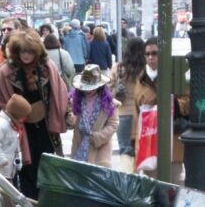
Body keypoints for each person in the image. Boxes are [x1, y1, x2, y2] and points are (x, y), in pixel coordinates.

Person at [0, 29, 69, 201]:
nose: (26, 55)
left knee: (47, 165)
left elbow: (60, 92)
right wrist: (13, 113)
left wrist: (64, 114)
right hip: (21, 127)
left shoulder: (47, 67)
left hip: (45, 126)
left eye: (29, 51)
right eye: (22, 51)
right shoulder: (6, 71)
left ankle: (46, 205)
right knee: (25, 167)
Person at [133, 37, 189, 185]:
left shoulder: (175, 76)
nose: (151, 57)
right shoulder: (140, 79)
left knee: (174, 187)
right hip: (148, 146)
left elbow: (188, 102)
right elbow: (136, 113)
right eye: (147, 54)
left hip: (172, 146)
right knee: (153, 191)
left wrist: (171, 104)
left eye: (155, 53)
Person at [66, 64, 119, 167]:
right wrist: (70, 119)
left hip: (100, 152)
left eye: (92, 87)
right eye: (86, 87)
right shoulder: (75, 101)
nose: (89, 90)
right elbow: (70, 122)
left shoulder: (109, 104)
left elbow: (113, 124)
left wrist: (99, 137)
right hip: (79, 151)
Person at [108, 37, 144, 173]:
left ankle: (128, 180)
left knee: (125, 149)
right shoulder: (145, 69)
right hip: (142, 114)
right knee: (142, 148)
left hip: (122, 114)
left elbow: (108, 91)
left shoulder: (118, 68)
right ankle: (141, 177)